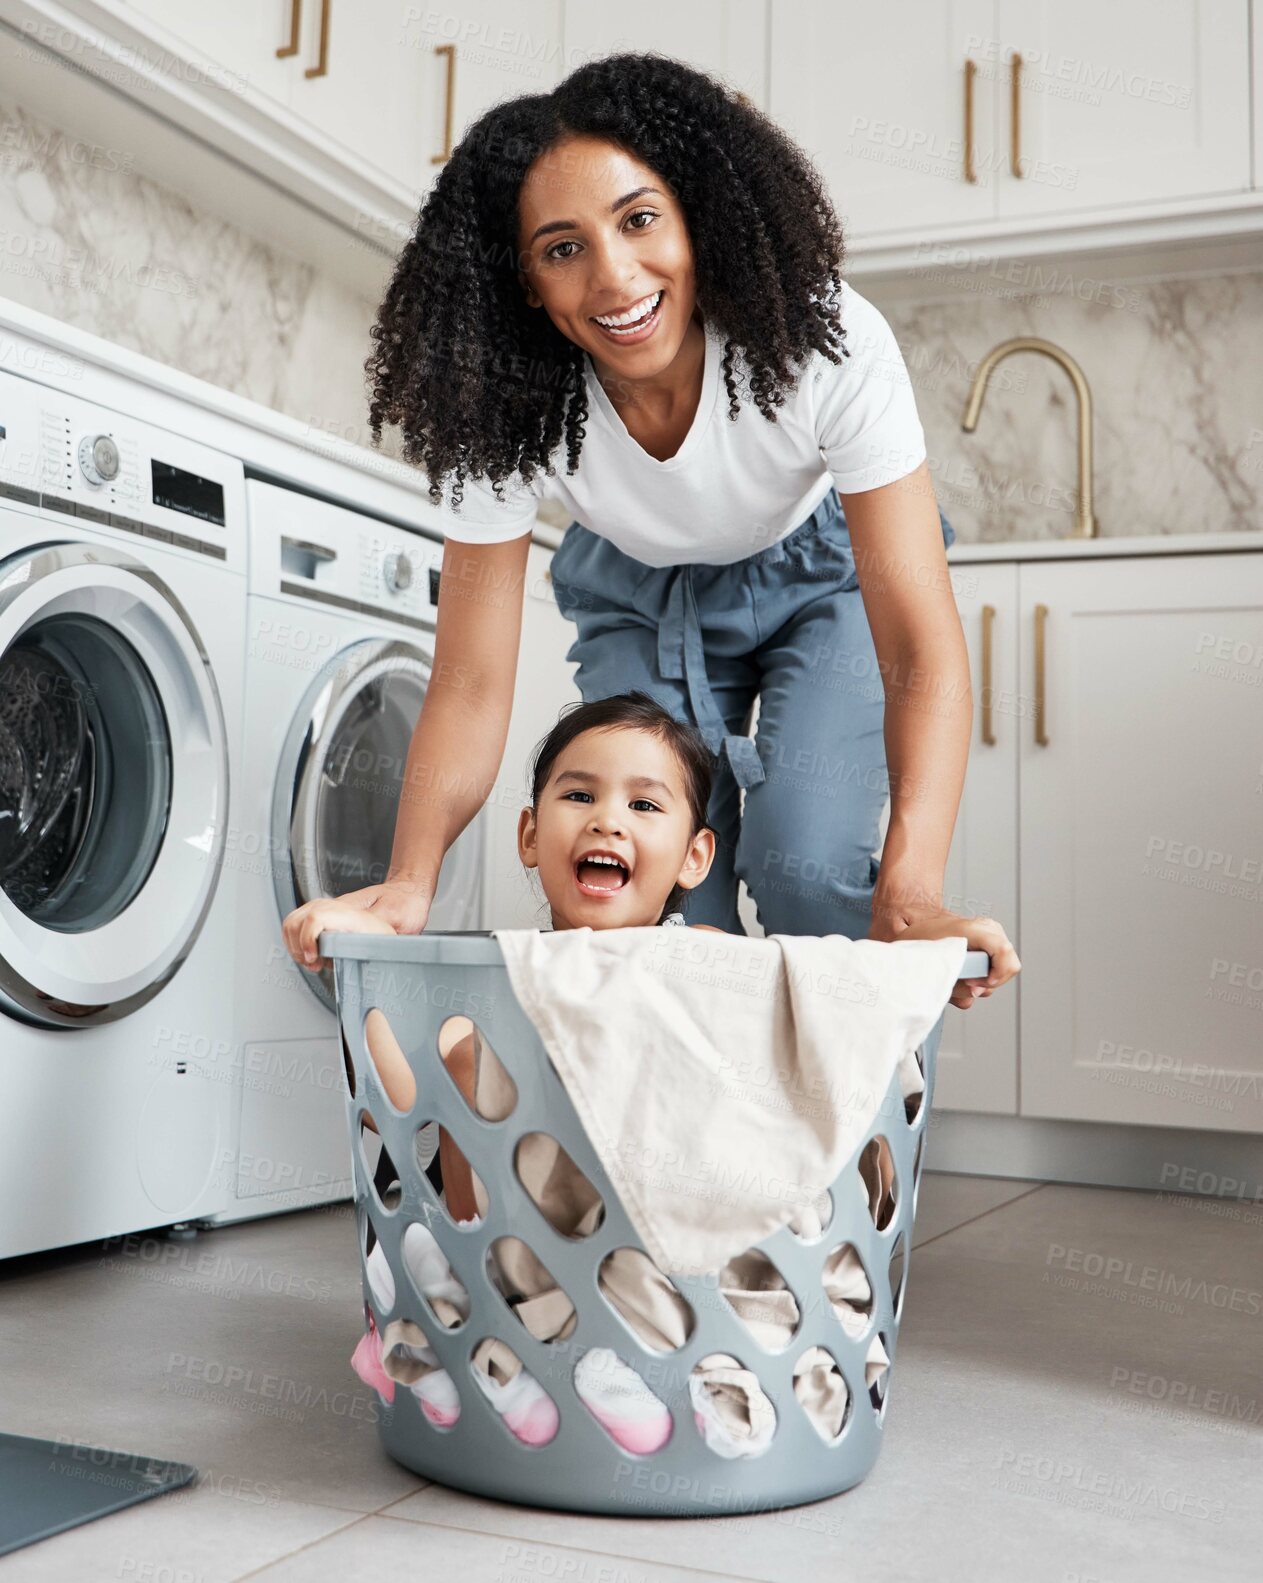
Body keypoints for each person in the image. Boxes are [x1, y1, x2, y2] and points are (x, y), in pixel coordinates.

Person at [281, 50, 1019, 1011]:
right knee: (654, 900)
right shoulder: (505, 410)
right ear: (526, 284)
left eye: (638, 220)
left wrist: (912, 899)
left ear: (695, 215)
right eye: (562, 248)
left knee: (807, 864)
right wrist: (407, 886)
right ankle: (667, 1154)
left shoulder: (820, 341)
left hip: (821, 577)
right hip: (638, 588)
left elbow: (920, 648)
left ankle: (857, 1145)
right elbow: (467, 680)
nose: (613, 276)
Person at [351, 693, 1018, 1457]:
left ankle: (583, 1363)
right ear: (529, 835)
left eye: (642, 803)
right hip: (527, 1252)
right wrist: (369, 955)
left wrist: (920, 959)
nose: (607, 819)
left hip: (674, 1249)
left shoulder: (709, 960)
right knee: (458, 1059)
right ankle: (507, 1333)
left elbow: (827, 1019)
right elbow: (395, 1099)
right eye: (579, 794)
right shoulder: (500, 983)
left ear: (694, 857)